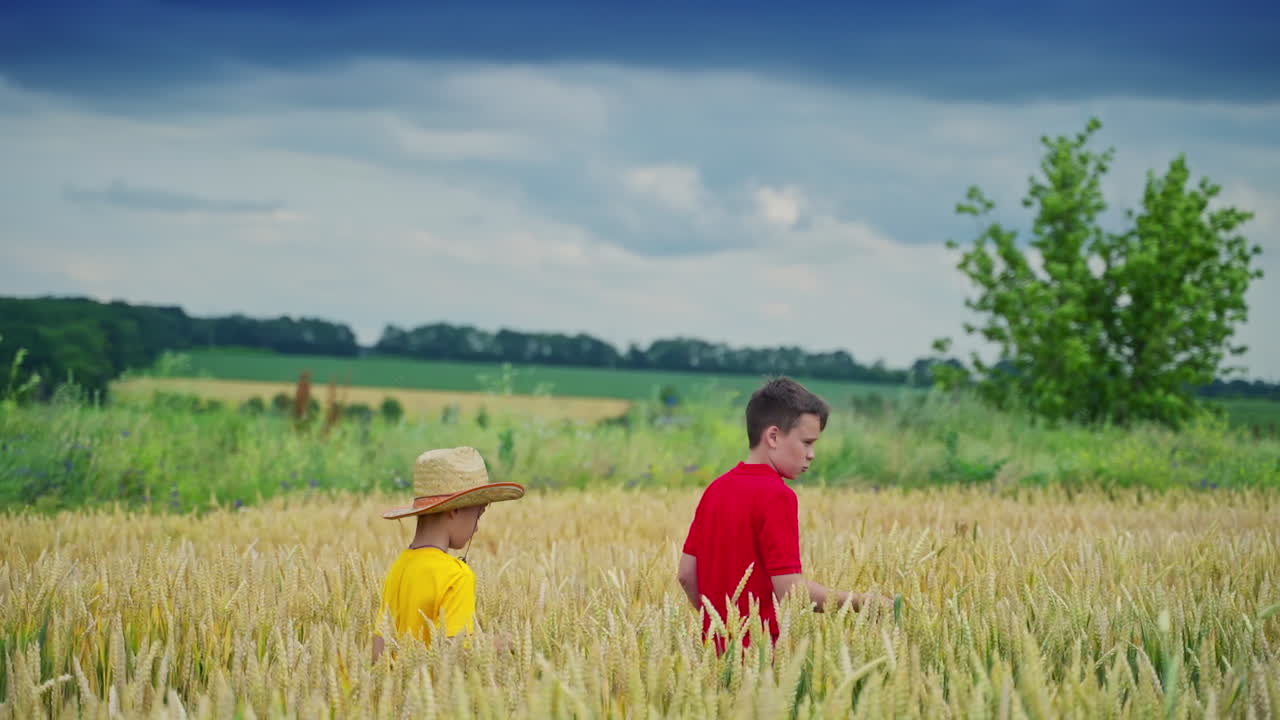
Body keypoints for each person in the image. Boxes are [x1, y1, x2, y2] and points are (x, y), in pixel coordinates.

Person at [678, 377, 885, 649]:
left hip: (711, 656)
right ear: (773, 436)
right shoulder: (778, 496)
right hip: (764, 659)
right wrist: (863, 602)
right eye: (807, 442)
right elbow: (790, 591)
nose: (811, 454)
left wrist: (717, 627)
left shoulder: (716, 489)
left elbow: (686, 575)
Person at [372, 446, 524, 662]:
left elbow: (378, 651)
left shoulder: (399, 567)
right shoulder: (456, 575)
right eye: (477, 516)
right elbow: (453, 653)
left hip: (399, 693)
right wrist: (497, 644)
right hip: (437, 694)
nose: (477, 528)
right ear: (455, 510)